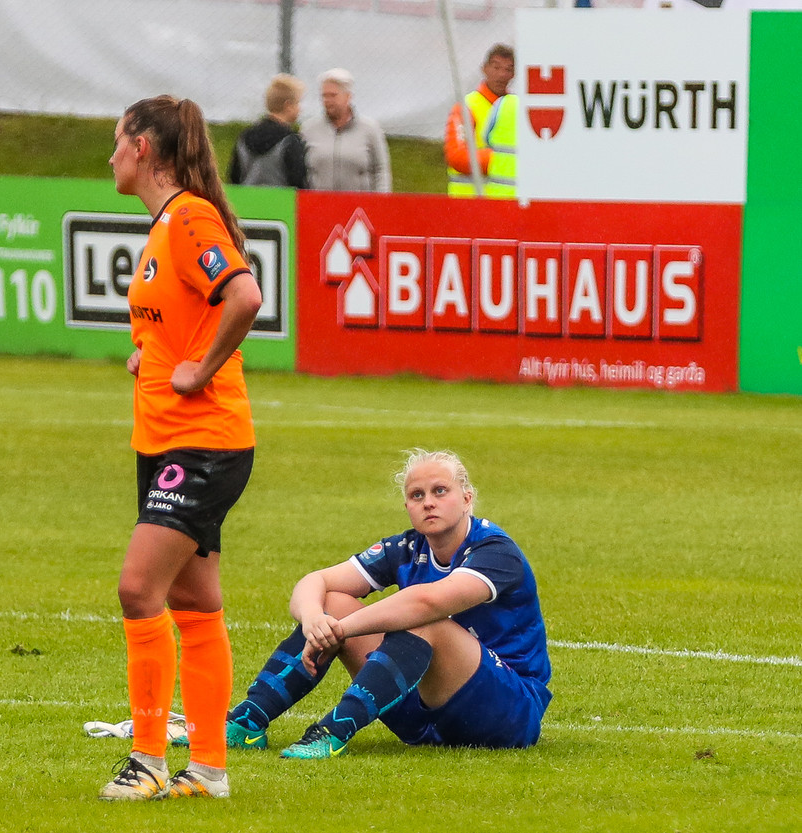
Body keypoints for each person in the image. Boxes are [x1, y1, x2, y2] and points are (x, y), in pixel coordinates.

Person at [100, 94, 262, 801]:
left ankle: (147, 760)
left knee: (139, 588)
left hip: (202, 444)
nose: (110, 155)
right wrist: (158, 356)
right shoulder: (166, 226)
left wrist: (198, 370)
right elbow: (184, 321)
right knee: (194, 602)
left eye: (117, 140)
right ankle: (209, 769)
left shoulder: (189, 216)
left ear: (142, 147)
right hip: (167, 440)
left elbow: (244, 297)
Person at [225, 449, 552, 759]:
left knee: (425, 621)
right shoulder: (406, 547)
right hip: (421, 712)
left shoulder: (496, 551)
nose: (428, 502)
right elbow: (315, 581)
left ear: (467, 499)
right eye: (417, 495)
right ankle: (247, 722)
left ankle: (332, 733)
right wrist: (314, 619)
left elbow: (426, 602)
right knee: (333, 602)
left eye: (440, 491)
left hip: (507, 712)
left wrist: (339, 630)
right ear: (407, 505)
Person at [300, 67, 392, 193]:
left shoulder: (370, 129)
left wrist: (381, 201)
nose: (327, 101)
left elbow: (381, 170)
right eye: (324, 96)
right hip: (319, 202)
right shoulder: (308, 129)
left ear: (348, 96)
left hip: (359, 203)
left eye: (333, 95)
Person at [445, 44, 517, 198]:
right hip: (467, 202)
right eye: (496, 67)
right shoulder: (465, 107)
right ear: (484, 68)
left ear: (514, 74)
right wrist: (502, 160)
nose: (501, 74)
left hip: (502, 202)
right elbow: (457, 157)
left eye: (508, 69)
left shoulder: (514, 108)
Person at [227, 73, 308, 188]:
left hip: (247, 198)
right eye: (298, 103)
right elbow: (299, 181)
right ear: (288, 106)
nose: (300, 109)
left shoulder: (244, 137)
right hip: (282, 199)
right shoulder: (290, 140)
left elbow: (234, 177)